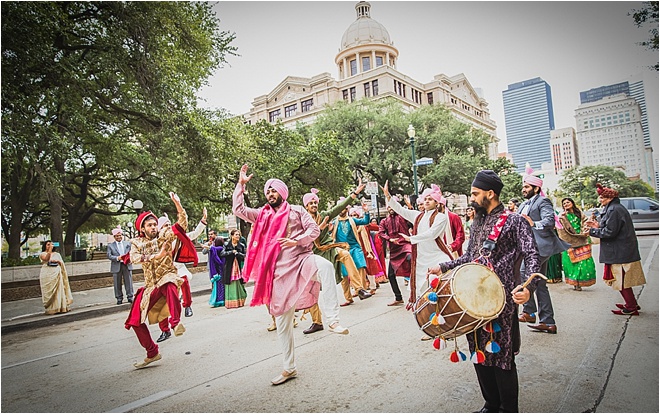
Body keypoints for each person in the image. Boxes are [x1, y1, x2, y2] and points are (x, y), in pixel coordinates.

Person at [428, 169, 541, 413]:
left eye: (475, 193)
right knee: (478, 350)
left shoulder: (514, 221)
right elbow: (469, 257)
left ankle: (508, 409)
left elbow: (533, 254)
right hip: (473, 298)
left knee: (502, 356)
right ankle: (491, 404)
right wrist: (443, 266)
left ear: (490, 194)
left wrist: (528, 287)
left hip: (502, 299)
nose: (472, 198)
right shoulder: (477, 221)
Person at [232, 164, 336, 385]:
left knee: (326, 267)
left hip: (301, 261)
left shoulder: (297, 210)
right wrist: (240, 185)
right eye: (267, 190)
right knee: (283, 324)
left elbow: (314, 231)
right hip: (278, 276)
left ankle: (333, 319)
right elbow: (239, 210)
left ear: (283, 193)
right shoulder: (261, 215)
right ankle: (289, 368)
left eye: (274, 190)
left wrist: (296, 241)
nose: (270, 193)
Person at [124, 192, 187, 369]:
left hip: (166, 276)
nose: (153, 227)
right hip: (150, 286)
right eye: (149, 225)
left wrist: (178, 205)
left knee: (169, 283)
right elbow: (134, 258)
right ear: (142, 228)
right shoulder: (136, 242)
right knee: (134, 321)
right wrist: (156, 255)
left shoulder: (164, 235)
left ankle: (175, 323)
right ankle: (152, 352)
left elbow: (181, 226)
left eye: (154, 224)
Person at [302, 185, 362, 334]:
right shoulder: (302, 220)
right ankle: (317, 322)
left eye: (315, 202)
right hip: (313, 256)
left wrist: (354, 194)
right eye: (310, 203)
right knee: (310, 290)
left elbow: (338, 207)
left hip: (329, 249)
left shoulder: (323, 214)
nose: (314, 205)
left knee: (346, 255)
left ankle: (359, 288)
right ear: (306, 206)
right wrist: (320, 228)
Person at [516, 166, 569, 334]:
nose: (523, 189)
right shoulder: (524, 204)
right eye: (523, 186)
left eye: (526, 187)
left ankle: (529, 312)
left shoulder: (542, 201)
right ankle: (547, 321)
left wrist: (533, 223)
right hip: (528, 248)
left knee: (525, 275)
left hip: (540, 248)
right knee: (539, 285)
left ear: (536, 188)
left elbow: (549, 221)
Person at [382, 183, 451, 304]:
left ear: (437, 203)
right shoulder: (417, 216)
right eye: (426, 199)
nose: (427, 201)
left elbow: (432, 234)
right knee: (421, 294)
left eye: (431, 199)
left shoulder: (441, 217)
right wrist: (388, 196)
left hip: (437, 257)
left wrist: (411, 239)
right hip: (421, 260)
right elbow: (400, 210)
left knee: (440, 289)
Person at [585, 184, 646, 315]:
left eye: (602, 197)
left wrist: (592, 231)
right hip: (620, 250)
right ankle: (631, 303)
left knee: (621, 280)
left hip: (619, 251)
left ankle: (630, 307)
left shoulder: (614, 210)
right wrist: (597, 226)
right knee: (622, 280)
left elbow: (610, 232)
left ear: (609, 198)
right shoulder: (613, 208)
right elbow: (610, 228)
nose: (600, 200)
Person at [331, 200, 374, 304]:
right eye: (340, 209)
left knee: (361, 267)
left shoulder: (352, 220)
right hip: (341, 250)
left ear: (347, 209)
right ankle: (348, 298)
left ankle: (361, 290)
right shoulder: (334, 222)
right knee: (344, 275)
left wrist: (366, 212)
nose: (342, 210)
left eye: (344, 208)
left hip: (355, 247)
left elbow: (365, 221)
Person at [557, 198, 597, 291]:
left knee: (585, 263)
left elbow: (585, 222)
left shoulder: (579, 213)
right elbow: (561, 230)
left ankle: (582, 281)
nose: (566, 204)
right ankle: (575, 283)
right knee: (571, 264)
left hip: (582, 239)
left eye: (568, 202)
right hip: (570, 241)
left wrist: (583, 232)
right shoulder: (562, 216)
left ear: (572, 203)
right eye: (564, 203)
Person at [378, 203, 412, 306]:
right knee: (391, 275)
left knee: (411, 259)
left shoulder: (402, 217)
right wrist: (390, 239)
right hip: (394, 249)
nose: (390, 208)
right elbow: (381, 233)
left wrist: (410, 207)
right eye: (388, 206)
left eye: (392, 206)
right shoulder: (384, 221)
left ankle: (416, 294)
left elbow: (413, 219)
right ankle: (398, 298)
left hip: (405, 245)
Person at [350, 207, 385, 294]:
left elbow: (378, 227)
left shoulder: (365, 226)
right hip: (355, 250)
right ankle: (358, 289)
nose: (353, 217)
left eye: (355, 215)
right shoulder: (349, 227)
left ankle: (373, 287)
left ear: (358, 216)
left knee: (370, 268)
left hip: (366, 250)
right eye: (351, 215)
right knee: (356, 269)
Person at [39, 240, 73, 315]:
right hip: (47, 274)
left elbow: (61, 262)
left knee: (59, 290)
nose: (50, 246)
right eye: (48, 244)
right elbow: (46, 259)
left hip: (56, 273)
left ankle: (62, 307)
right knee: (50, 291)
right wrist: (49, 251)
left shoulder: (57, 254)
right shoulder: (42, 254)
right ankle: (51, 308)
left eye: (51, 244)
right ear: (45, 246)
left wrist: (57, 261)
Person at [220, 229, 248, 308]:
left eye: (239, 235)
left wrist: (237, 253)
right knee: (230, 283)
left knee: (239, 283)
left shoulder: (241, 245)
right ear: (232, 235)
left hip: (238, 267)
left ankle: (240, 301)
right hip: (229, 267)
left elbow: (244, 256)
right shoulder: (226, 244)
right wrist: (231, 252)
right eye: (236, 234)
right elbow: (222, 253)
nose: (238, 236)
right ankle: (231, 303)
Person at [107, 226, 134, 305]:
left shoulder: (127, 244)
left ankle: (130, 296)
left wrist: (130, 258)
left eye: (120, 235)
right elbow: (109, 255)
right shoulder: (110, 246)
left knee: (128, 281)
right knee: (117, 283)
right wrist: (117, 258)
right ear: (114, 237)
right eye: (117, 236)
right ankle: (119, 298)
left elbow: (132, 252)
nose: (119, 237)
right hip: (117, 265)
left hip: (126, 265)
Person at [208, 236, 226, 308]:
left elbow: (214, 249)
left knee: (217, 286)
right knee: (221, 286)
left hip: (217, 270)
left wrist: (210, 247)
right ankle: (221, 300)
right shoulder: (221, 249)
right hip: (221, 270)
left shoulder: (216, 249)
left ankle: (217, 300)